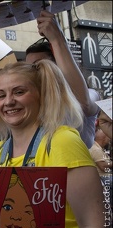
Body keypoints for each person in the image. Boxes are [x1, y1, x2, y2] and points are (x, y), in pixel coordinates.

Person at [0, 61, 105, 228]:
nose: (9, 102)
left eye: (19, 91)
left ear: (41, 95)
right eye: (1, 95)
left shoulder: (61, 141)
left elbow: (94, 225)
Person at [25, 10, 99, 149]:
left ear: (58, 65)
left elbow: (83, 104)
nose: (33, 72)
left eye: (40, 65)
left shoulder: (90, 94)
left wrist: (57, 39)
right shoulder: (35, 103)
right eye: (28, 68)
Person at [89, 121, 112, 187]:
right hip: (103, 178)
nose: (109, 140)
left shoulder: (98, 147)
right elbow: (103, 166)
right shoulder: (96, 149)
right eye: (108, 138)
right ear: (104, 138)